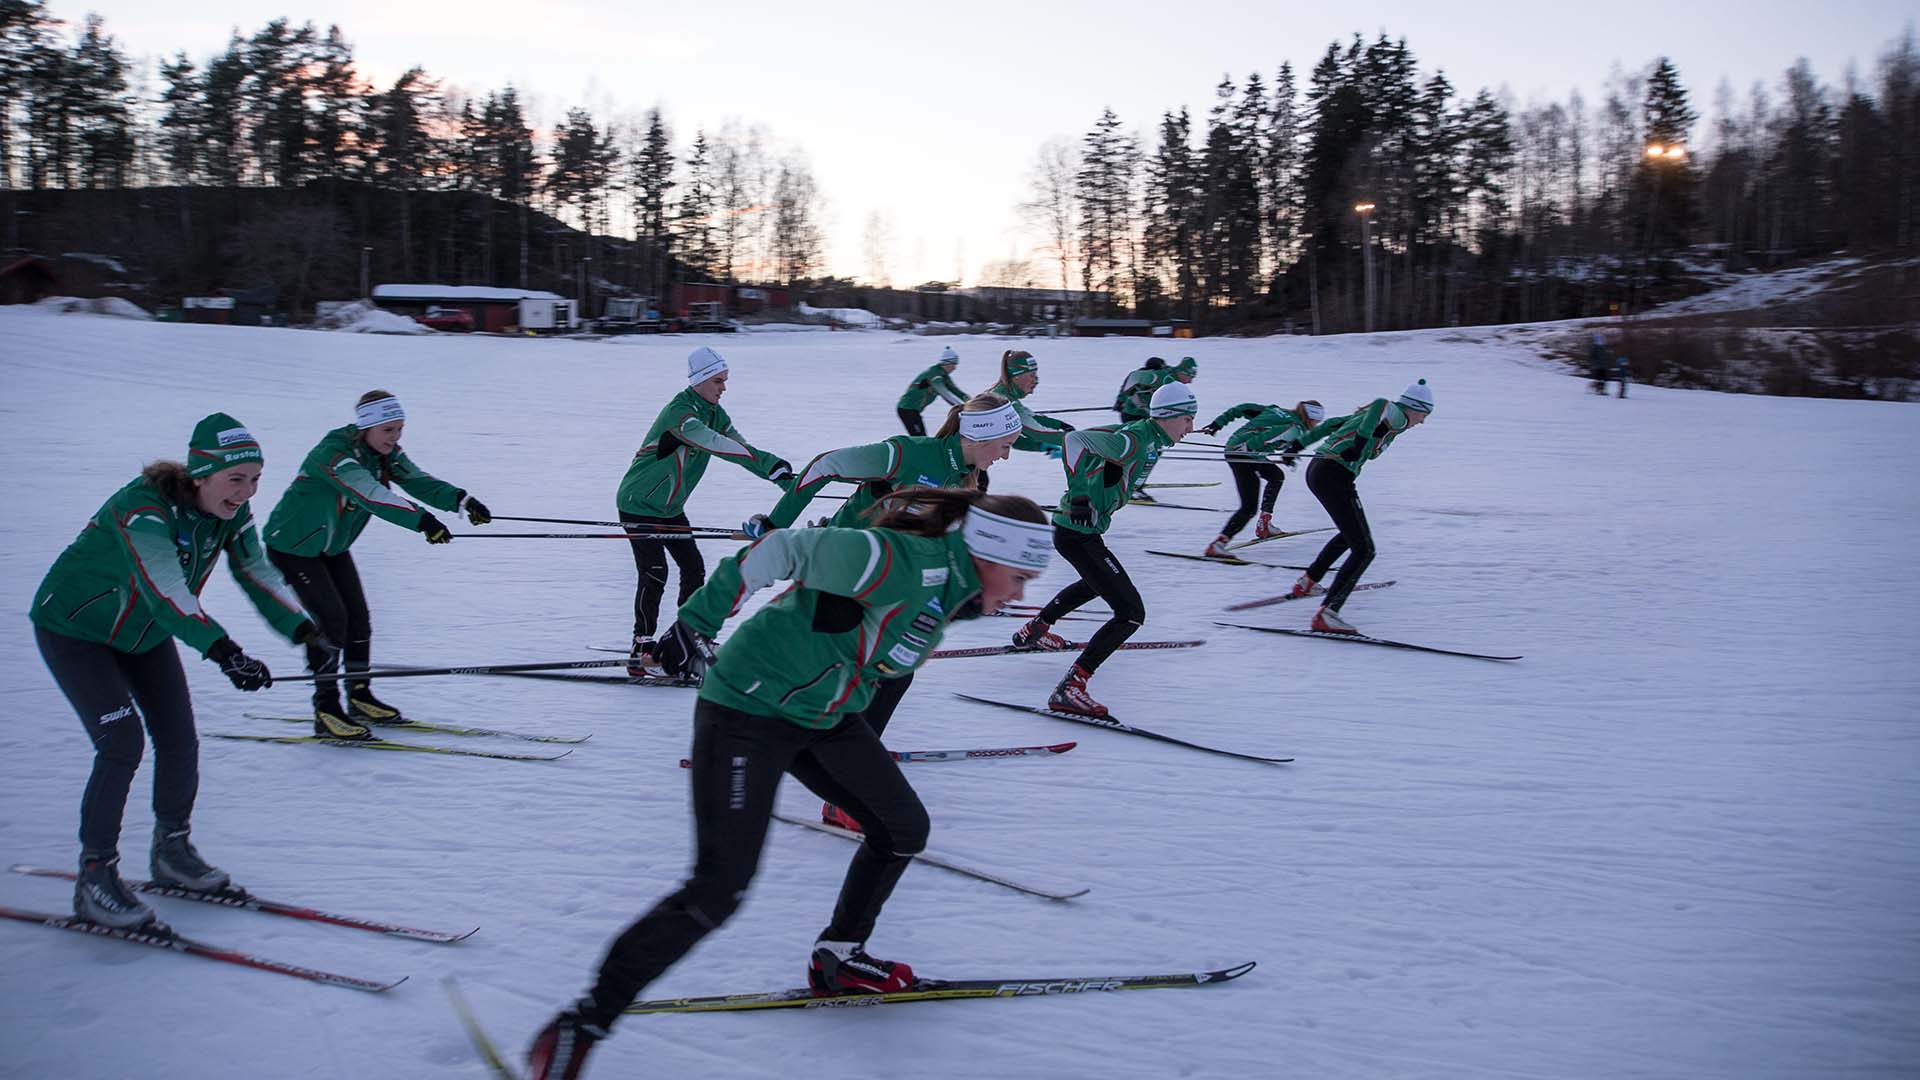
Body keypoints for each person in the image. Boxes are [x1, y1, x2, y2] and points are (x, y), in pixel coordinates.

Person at [523, 489, 1054, 1080]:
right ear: (986, 551)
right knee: (719, 887)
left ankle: (840, 956)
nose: (1019, 594)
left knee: (902, 828)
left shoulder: (952, 586)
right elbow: (777, 551)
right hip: (747, 712)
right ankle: (584, 1023)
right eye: (1019, 577)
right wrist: (696, 620)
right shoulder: (895, 559)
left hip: (822, 716)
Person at [31, 413, 319, 929]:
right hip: (76, 629)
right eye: (236, 479)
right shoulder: (141, 510)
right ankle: (95, 878)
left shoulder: (232, 512)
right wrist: (225, 651)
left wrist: (303, 630)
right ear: (200, 476)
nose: (246, 492)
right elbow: (166, 587)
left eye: (256, 479)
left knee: (180, 739)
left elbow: (254, 568)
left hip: (145, 632)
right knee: (121, 742)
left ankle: (171, 851)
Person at [265, 390, 491, 739]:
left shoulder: (383, 455)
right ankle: (325, 709)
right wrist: (423, 522)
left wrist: (462, 500)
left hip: (332, 547)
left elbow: (417, 480)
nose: (396, 437)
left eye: (399, 429)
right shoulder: (334, 455)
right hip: (293, 547)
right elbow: (371, 495)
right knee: (333, 622)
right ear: (366, 427)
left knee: (358, 618)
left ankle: (359, 695)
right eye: (389, 430)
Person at [1009, 381, 1197, 718]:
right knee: (1130, 612)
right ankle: (1071, 688)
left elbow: (1104, 445)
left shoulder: (1147, 436)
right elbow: (1074, 440)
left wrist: (1106, 475)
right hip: (1077, 532)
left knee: (1096, 583)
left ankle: (1034, 629)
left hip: (1083, 532)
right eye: (1187, 420)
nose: (1191, 428)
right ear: (1169, 416)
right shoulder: (1134, 439)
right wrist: (1081, 494)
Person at [616, 347, 792, 677]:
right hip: (637, 502)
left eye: (725, 381)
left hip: (670, 508)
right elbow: (719, 445)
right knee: (655, 572)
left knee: (694, 568)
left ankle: (688, 636)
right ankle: (641, 646)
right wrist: (767, 464)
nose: (723, 388)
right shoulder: (681, 415)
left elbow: (741, 447)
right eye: (717, 381)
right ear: (699, 381)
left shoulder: (714, 412)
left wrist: (781, 478)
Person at [748, 392, 1023, 536]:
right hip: (838, 564)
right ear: (979, 436)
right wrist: (776, 524)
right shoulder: (909, 454)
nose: (1006, 457)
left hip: (882, 581)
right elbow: (824, 465)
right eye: (1005, 446)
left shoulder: (964, 479)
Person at [1287, 379, 1434, 635]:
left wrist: (1298, 445)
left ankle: (1308, 582)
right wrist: (1359, 442)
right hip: (1334, 474)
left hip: (1322, 471)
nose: (1422, 422)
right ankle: (1328, 613)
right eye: (1423, 414)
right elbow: (1380, 403)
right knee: (1365, 549)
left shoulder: (1387, 422)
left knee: (1350, 535)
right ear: (1414, 407)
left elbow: (1334, 425)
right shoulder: (1396, 415)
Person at [1198, 399, 1327, 557]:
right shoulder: (1295, 428)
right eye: (1317, 421)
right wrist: (1248, 448)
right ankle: (1217, 545)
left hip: (1242, 450)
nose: (1316, 425)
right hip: (1244, 455)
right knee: (1248, 507)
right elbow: (1269, 436)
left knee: (1276, 476)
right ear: (1311, 418)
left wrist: (1218, 423)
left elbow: (1243, 408)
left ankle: (1264, 525)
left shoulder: (1276, 410)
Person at [1122, 357, 1195, 502]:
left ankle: (1134, 480)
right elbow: (1134, 384)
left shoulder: (1171, 380)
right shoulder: (1163, 377)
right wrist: (1124, 401)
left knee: (1151, 451)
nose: (1191, 381)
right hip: (1136, 416)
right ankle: (1131, 485)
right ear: (1182, 372)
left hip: (1146, 417)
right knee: (1145, 451)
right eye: (1190, 376)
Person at [987, 349, 1074, 454]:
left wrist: (1060, 425)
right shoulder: (1003, 401)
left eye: (1036, 375)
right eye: (1032, 375)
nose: (1036, 380)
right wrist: (1077, 440)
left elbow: (1014, 439)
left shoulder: (1005, 395)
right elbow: (1036, 432)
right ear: (1017, 376)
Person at [894, 346, 967, 436]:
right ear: (946, 363)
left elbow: (957, 391)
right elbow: (944, 393)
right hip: (906, 409)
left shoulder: (944, 376)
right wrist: (961, 407)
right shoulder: (934, 375)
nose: (955, 368)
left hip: (914, 410)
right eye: (954, 364)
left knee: (921, 438)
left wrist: (973, 403)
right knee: (919, 438)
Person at [1112, 356, 1167, 421]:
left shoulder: (1135, 375)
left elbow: (1124, 391)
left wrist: (1119, 403)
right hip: (1147, 415)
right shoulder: (1161, 375)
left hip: (1128, 413)